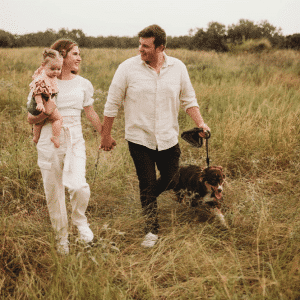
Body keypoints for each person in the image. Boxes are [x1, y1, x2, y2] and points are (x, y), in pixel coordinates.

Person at [100, 25, 210, 248]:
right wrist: (106, 134)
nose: (140, 49)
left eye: (146, 46)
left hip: (168, 137)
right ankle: (151, 229)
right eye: (140, 44)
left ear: (161, 47)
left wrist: (200, 122)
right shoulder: (127, 68)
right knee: (147, 183)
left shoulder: (178, 68)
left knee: (172, 179)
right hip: (139, 138)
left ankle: (147, 198)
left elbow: (189, 100)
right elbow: (112, 103)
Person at [27, 39, 111, 255]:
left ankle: (80, 221)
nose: (79, 57)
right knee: (53, 189)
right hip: (49, 136)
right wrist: (47, 112)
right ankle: (61, 237)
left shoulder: (83, 83)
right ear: (62, 55)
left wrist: (105, 133)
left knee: (78, 185)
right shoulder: (42, 81)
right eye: (75, 53)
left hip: (74, 137)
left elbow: (90, 112)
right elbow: (30, 118)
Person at [28, 49, 63, 147]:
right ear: (43, 66)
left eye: (59, 69)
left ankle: (36, 137)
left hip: (42, 105)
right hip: (42, 104)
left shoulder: (47, 75)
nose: (56, 72)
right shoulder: (42, 79)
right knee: (58, 119)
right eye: (53, 69)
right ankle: (55, 137)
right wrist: (39, 104)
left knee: (39, 122)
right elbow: (37, 92)